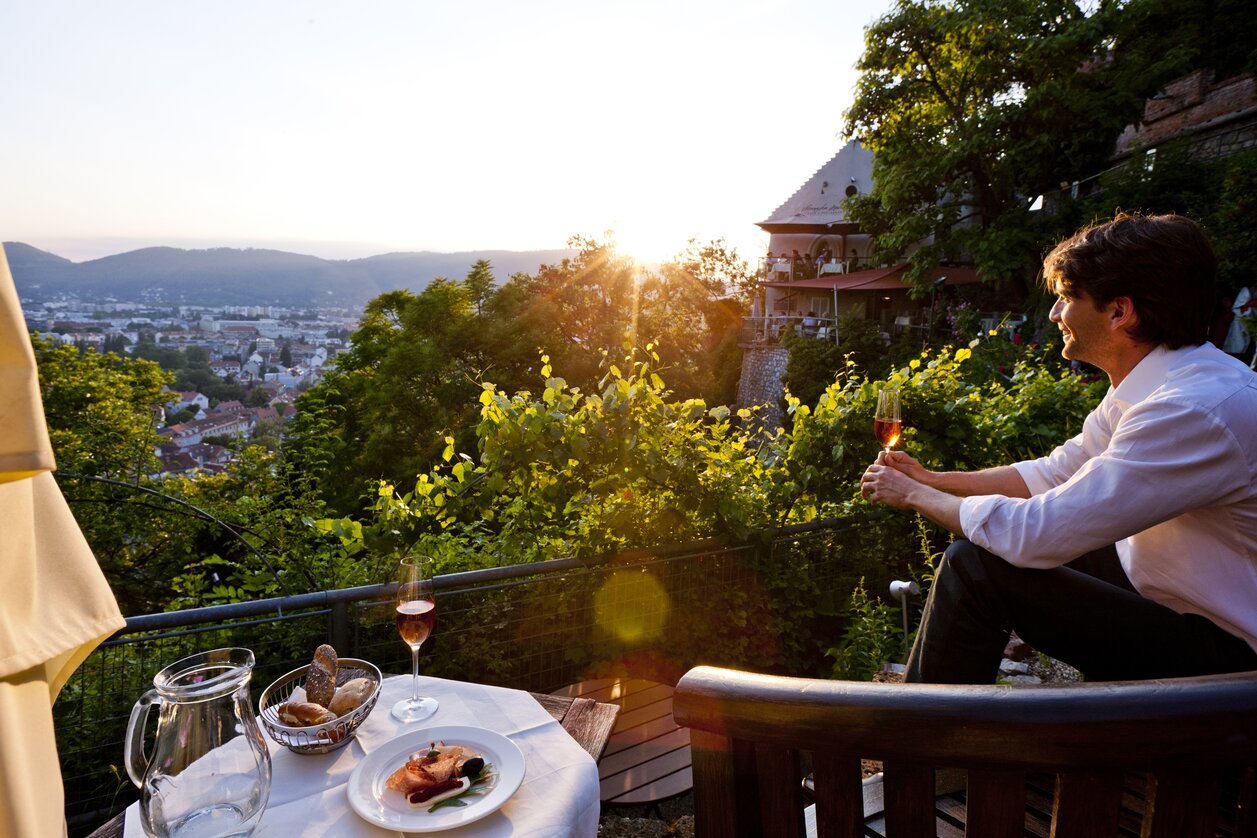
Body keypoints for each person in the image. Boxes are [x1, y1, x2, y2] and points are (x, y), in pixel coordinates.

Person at [859, 213, 1257, 685]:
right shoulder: (1159, 383)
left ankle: (923, 750)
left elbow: (1037, 533)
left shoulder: (1191, 410)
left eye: (1067, 298)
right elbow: (1054, 474)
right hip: (1179, 596)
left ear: (1119, 311)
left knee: (976, 567)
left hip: (1230, 654)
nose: (1054, 314)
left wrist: (913, 496)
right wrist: (931, 479)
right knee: (1006, 549)